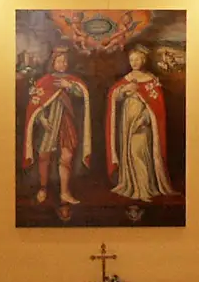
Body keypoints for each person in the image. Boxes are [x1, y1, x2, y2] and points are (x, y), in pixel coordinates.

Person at [106, 44, 177, 202]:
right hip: (127, 120)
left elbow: (156, 106)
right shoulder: (127, 79)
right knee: (129, 152)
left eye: (137, 59)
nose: (134, 62)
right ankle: (132, 185)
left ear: (143, 60)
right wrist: (124, 90)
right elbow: (114, 95)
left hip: (143, 121)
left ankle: (145, 188)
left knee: (139, 152)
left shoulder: (151, 80)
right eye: (132, 59)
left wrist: (144, 118)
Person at [22, 46, 92, 205]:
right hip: (49, 123)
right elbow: (35, 104)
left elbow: (82, 95)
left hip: (66, 121)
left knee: (67, 157)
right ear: (53, 63)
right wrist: (42, 119)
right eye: (59, 61)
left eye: (65, 61)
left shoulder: (72, 80)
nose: (62, 64)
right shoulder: (45, 81)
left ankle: (65, 192)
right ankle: (43, 188)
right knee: (44, 156)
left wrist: (69, 86)